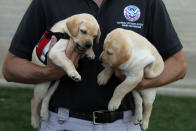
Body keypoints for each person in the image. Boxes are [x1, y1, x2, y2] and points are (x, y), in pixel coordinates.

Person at [2, 0, 187, 131]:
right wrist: (50, 72)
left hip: (124, 124)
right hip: (62, 123)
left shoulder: (147, 2)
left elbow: (178, 65)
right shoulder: (47, 2)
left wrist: (140, 82)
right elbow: (11, 68)